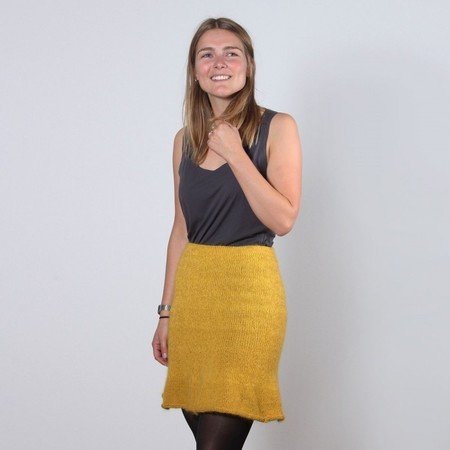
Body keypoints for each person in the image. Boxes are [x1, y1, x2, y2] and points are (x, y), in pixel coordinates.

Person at [152, 17, 302, 449]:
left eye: (231, 53)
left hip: (248, 293)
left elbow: (283, 220)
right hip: (195, 295)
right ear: (194, 70)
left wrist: (236, 153)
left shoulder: (278, 127)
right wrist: (166, 313)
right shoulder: (184, 141)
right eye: (207, 54)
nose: (219, 63)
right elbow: (181, 230)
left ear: (248, 66)